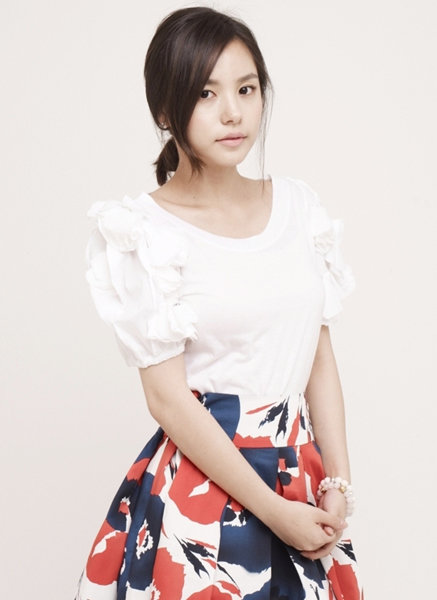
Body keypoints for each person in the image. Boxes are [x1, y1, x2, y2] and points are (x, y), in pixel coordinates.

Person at [76, 6, 362, 600]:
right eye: (206, 94)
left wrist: (338, 481)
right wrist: (273, 512)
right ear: (165, 109)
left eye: (246, 89)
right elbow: (167, 399)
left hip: (299, 478)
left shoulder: (299, 208)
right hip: (202, 494)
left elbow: (318, 356)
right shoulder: (144, 231)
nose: (233, 112)